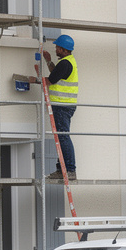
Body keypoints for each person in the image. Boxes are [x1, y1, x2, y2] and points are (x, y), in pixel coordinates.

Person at [33, 34, 78, 180]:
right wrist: (48, 61)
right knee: (61, 137)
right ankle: (62, 169)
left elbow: (51, 80)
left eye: (58, 47)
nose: (56, 49)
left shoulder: (65, 63)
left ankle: (69, 170)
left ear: (64, 49)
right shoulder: (66, 62)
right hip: (63, 105)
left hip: (62, 105)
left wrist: (35, 80)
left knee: (63, 137)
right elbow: (55, 74)